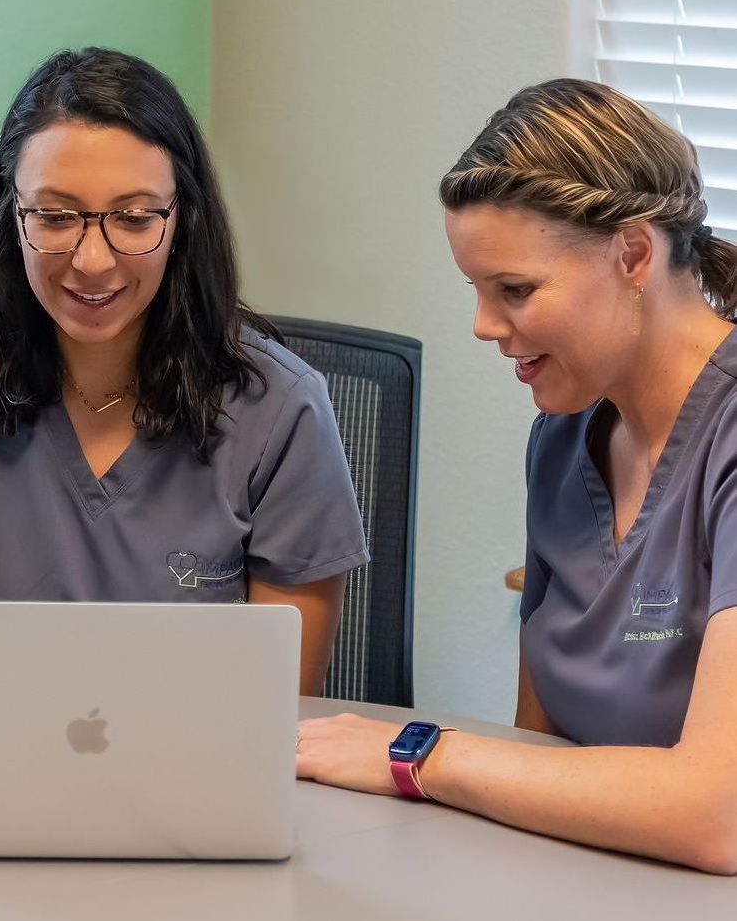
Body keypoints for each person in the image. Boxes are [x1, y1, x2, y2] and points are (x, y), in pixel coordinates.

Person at [297, 78, 737, 874]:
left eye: (515, 290)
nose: (483, 326)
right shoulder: (561, 442)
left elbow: (718, 815)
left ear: (633, 252)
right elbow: (536, 743)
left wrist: (416, 754)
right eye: (476, 289)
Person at [0, 48, 369, 708]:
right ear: (9, 216)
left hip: (190, 789)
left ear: (181, 219)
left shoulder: (281, 408)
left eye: (133, 218)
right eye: (55, 216)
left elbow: (276, 704)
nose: (92, 260)